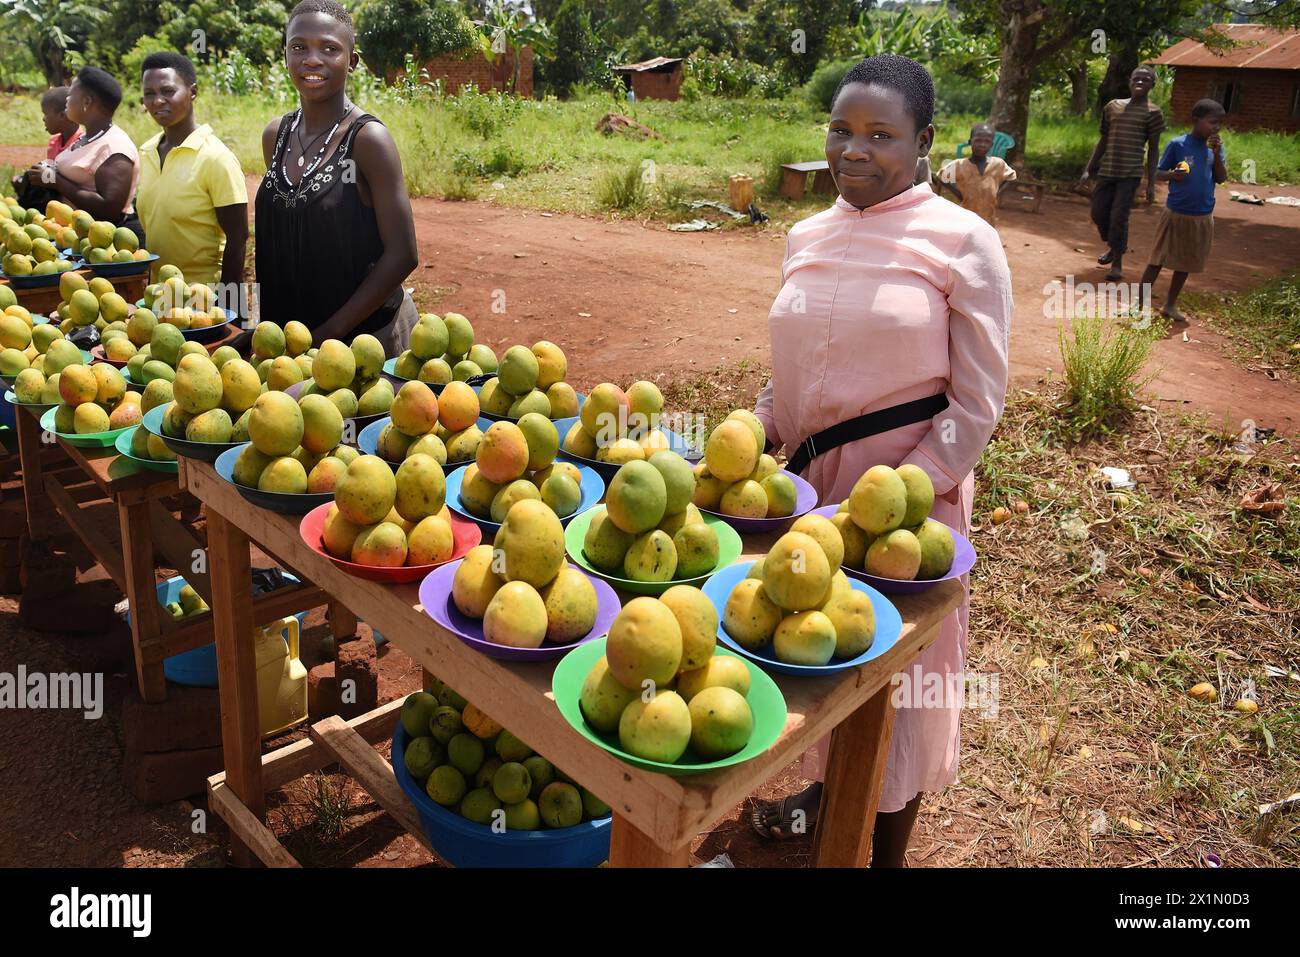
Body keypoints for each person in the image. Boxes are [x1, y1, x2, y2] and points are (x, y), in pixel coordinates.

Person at [747, 54, 1012, 865]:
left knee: (900, 685)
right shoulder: (805, 234)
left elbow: (977, 403)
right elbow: (789, 379)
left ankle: (882, 849)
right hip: (808, 496)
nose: (852, 150)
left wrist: (902, 494)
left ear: (925, 140)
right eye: (839, 130)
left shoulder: (965, 240)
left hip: (907, 510)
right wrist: (751, 435)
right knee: (815, 653)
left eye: (878, 135)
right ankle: (823, 803)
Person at [248, 0, 419, 354]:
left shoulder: (368, 140)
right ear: (285, 56)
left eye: (329, 48)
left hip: (365, 342)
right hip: (292, 345)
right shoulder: (275, 136)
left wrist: (327, 334)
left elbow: (403, 253)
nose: (312, 59)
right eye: (299, 47)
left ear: (352, 61)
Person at [136, 51, 249, 290]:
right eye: (149, 94)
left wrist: (232, 310)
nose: (157, 101)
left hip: (204, 296)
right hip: (159, 292)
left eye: (168, 91)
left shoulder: (216, 158)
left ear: (193, 92)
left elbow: (238, 238)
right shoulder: (147, 152)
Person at [23, 67, 142, 243]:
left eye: (71, 95)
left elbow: (109, 209)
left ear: (86, 102)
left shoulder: (114, 147)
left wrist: (57, 181)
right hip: (80, 238)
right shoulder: (87, 138)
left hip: (107, 242)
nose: (67, 100)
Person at [1139, 99, 1227, 326]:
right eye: (1212, 122)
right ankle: (1138, 306)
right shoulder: (1178, 145)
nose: (1216, 127)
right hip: (1176, 211)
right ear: (1196, 120)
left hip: (1202, 215)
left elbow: (1221, 178)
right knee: (1157, 259)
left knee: (1185, 263)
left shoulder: (1214, 149)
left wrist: (1217, 154)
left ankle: (1169, 304)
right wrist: (1173, 176)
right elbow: (1157, 173)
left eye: (1219, 123)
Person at [1082, 66, 1164, 280]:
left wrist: (1151, 183)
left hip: (1131, 172)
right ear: (1130, 81)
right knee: (1098, 212)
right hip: (1108, 169)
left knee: (1119, 216)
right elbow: (1103, 139)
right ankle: (1113, 245)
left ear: (1152, 85)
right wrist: (1089, 167)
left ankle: (1117, 263)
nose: (1141, 82)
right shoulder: (1113, 107)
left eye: (1146, 80)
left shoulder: (1154, 113)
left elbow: (1154, 149)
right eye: (1137, 78)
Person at [11, 86, 81, 208]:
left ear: (62, 116)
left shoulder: (81, 144)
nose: (43, 119)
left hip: (69, 203)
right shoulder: (54, 142)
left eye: (45, 114)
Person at [936, 123, 1018, 227]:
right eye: (978, 140)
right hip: (965, 217)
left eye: (987, 141)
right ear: (970, 142)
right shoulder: (959, 164)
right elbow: (941, 177)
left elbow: (1011, 177)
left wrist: (996, 192)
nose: (982, 144)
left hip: (988, 218)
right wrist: (958, 194)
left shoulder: (998, 164)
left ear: (991, 144)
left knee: (984, 240)